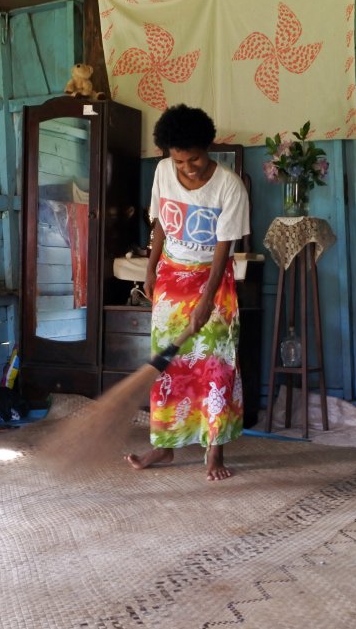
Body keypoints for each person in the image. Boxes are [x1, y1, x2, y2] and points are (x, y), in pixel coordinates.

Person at [124, 105, 250, 481]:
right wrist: (150, 268)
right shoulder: (163, 172)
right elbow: (161, 223)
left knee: (215, 365)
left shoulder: (229, 185)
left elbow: (223, 251)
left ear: (207, 147)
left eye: (193, 159)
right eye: (179, 161)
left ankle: (214, 452)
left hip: (211, 282)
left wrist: (207, 300)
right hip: (171, 281)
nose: (187, 168)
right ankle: (164, 448)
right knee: (169, 368)